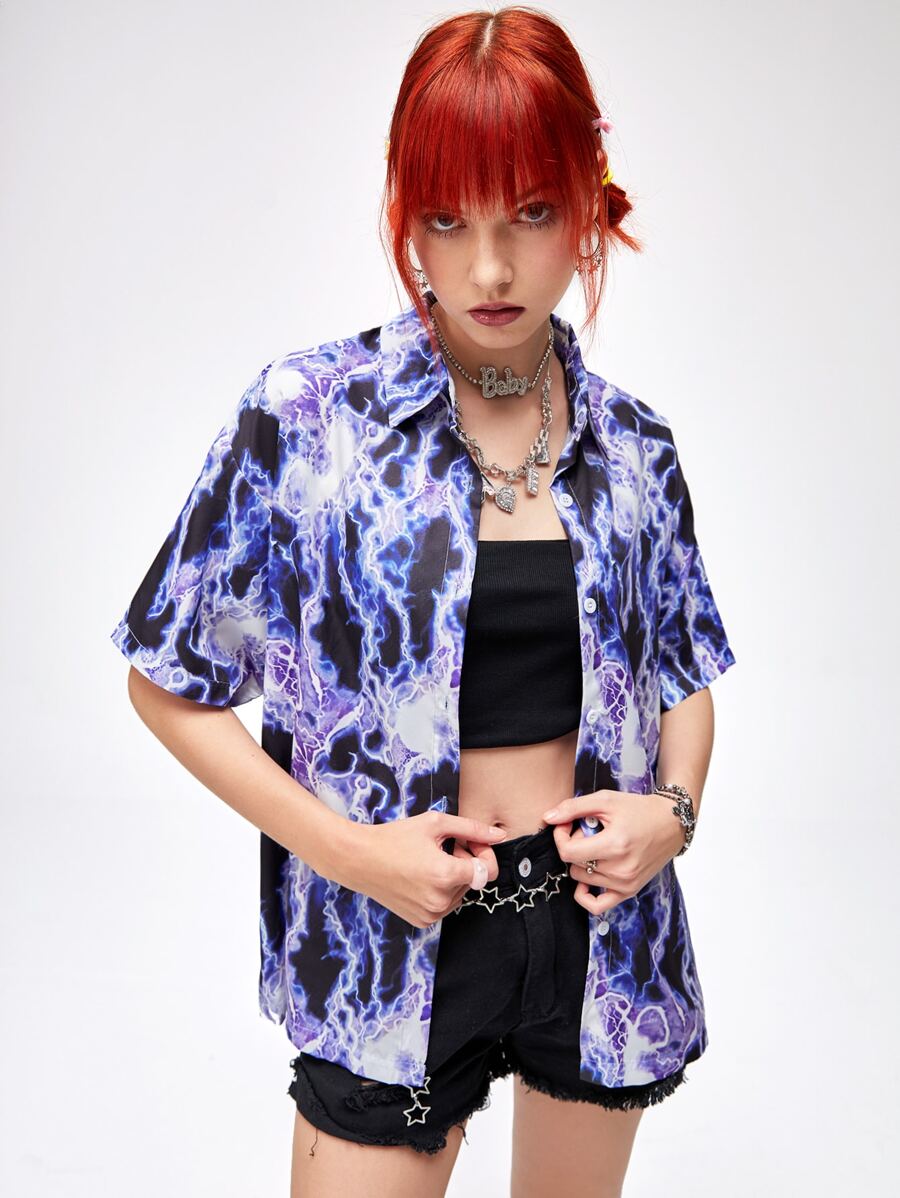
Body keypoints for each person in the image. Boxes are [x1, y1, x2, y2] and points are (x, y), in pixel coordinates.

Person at [110, 7, 737, 1196]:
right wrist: (356, 856)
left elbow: (684, 676)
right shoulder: (308, 420)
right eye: (448, 219)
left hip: (597, 941)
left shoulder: (636, 447)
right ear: (407, 214)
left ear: (589, 208)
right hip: (387, 944)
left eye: (530, 214)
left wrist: (674, 814)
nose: (488, 269)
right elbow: (165, 683)